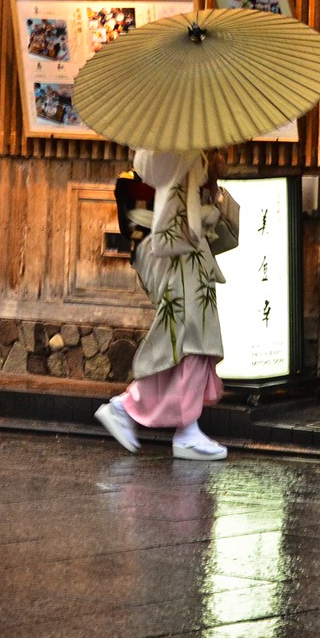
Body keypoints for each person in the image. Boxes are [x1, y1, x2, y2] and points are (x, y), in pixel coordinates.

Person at [93, 148, 238, 460]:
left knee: (188, 334)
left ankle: (153, 415)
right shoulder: (177, 149)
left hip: (169, 249)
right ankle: (144, 412)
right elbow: (184, 211)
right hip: (175, 250)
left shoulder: (172, 147)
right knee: (191, 332)